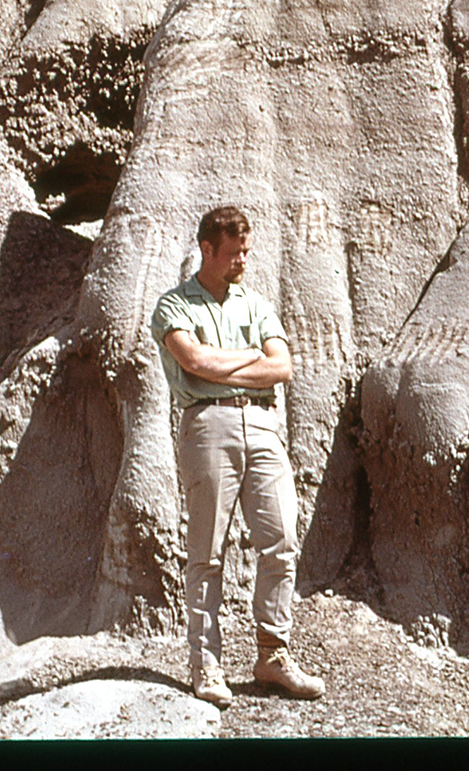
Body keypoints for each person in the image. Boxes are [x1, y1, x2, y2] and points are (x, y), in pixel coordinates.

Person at [152, 205, 326, 707]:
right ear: (207, 249)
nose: (242, 261)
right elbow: (194, 361)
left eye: (246, 251)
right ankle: (206, 666)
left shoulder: (255, 304)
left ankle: (273, 655)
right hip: (208, 426)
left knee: (281, 540)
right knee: (207, 552)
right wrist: (251, 358)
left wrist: (231, 365)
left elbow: (283, 368)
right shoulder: (174, 306)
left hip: (264, 427)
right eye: (233, 253)